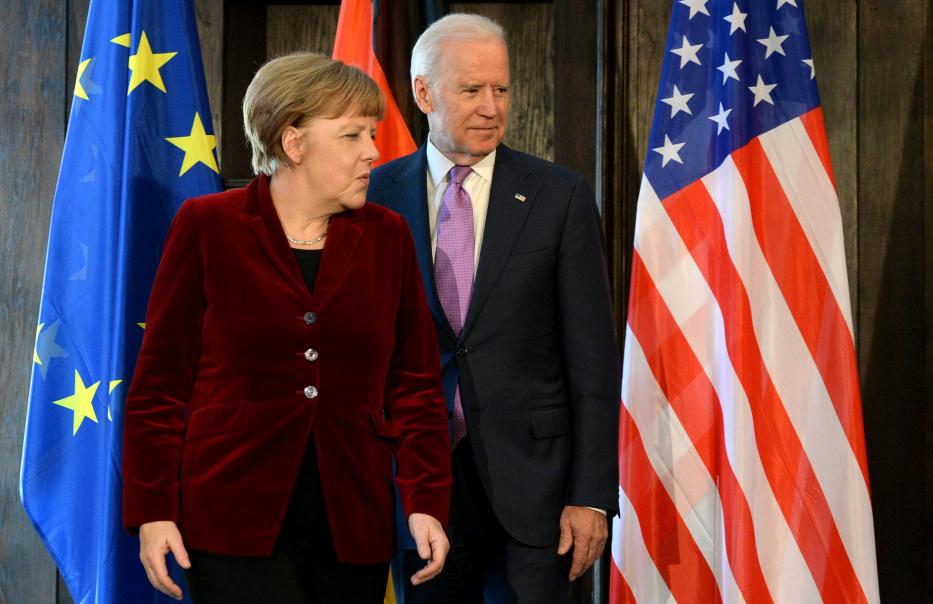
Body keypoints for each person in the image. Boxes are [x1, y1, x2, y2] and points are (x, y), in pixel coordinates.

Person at [122, 52, 452, 604]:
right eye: (352, 136)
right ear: (293, 143)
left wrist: (424, 502)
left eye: (370, 134)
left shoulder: (387, 236)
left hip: (353, 524)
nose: (373, 151)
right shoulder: (208, 229)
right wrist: (153, 510)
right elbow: (159, 389)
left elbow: (415, 387)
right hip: (230, 521)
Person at [367, 14, 620, 604]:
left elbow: (593, 364)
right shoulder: (373, 196)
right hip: (417, 491)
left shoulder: (559, 196)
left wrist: (590, 495)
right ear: (424, 92)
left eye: (500, 90)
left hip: (537, 495)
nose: (491, 107)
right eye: (471, 90)